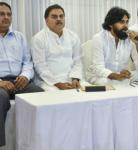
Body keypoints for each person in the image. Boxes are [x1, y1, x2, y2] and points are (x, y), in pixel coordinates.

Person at [0, 2, 43, 147]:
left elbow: (28, 62)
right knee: (0, 97)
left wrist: (25, 76)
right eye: (1, 14)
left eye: (8, 14)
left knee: (40, 94)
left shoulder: (20, 37)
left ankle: (38, 142)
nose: (6, 17)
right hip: (0, 84)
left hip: (19, 80)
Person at [86, 7, 138, 85]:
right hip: (102, 76)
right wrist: (116, 76)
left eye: (127, 22)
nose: (125, 26)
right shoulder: (99, 38)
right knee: (107, 82)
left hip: (121, 76)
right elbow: (98, 67)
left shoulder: (129, 38)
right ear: (110, 24)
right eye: (122, 22)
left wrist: (137, 44)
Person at [31, 4, 83, 91]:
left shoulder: (73, 36)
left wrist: (75, 79)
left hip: (71, 79)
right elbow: (40, 66)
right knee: (57, 95)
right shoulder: (38, 39)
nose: (59, 19)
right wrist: (58, 83)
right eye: (54, 17)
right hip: (49, 82)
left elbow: (78, 61)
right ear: (46, 20)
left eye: (61, 16)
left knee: (88, 92)